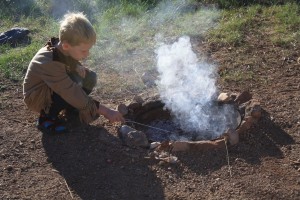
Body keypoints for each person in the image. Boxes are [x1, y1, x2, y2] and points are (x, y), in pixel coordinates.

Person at [23, 12, 124, 133]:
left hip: (56, 86)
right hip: (37, 98)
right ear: (66, 46)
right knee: (70, 91)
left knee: (89, 77)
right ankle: (46, 119)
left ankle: (73, 108)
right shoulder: (51, 61)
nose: (87, 54)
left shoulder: (62, 47)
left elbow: (64, 59)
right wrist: (106, 111)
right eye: (83, 51)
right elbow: (70, 91)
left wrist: (75, 65)